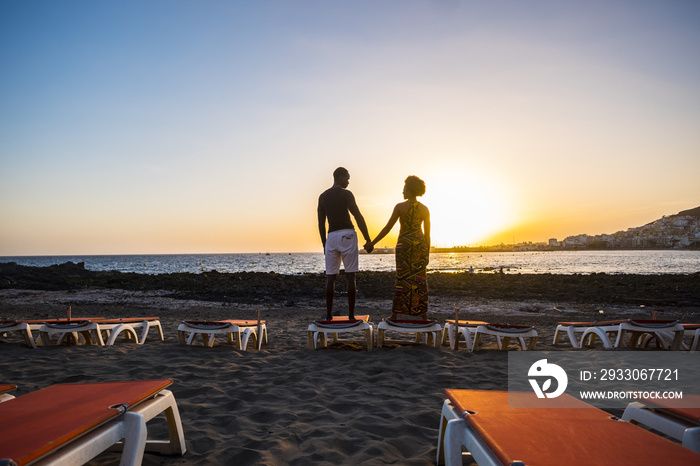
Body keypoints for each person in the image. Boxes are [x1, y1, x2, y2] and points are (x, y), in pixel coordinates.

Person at [368, 176, 430, 320]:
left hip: (404, 247)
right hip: (419, 247)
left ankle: (395, 315)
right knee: (420, 280)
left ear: (409, 190)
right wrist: (427, 253)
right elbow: (427, 235)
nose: (402, 191)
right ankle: (423, 315)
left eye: (404, 189)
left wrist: (372, 243)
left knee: (401, 280)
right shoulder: (424, 209)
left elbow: (387, 228)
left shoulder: (400, 207)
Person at [317, 167, 373, 321]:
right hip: (347, 234)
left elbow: (321, 223)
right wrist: (368, 239)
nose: (348, 181)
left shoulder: (322, 196)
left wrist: (324, 244)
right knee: (350, 276)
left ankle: (328, 315)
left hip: (332, 237)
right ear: (340, 177)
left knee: (331, 277)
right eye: (347, 178)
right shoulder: (346, 194)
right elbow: (357, 216)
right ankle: (350, 315)